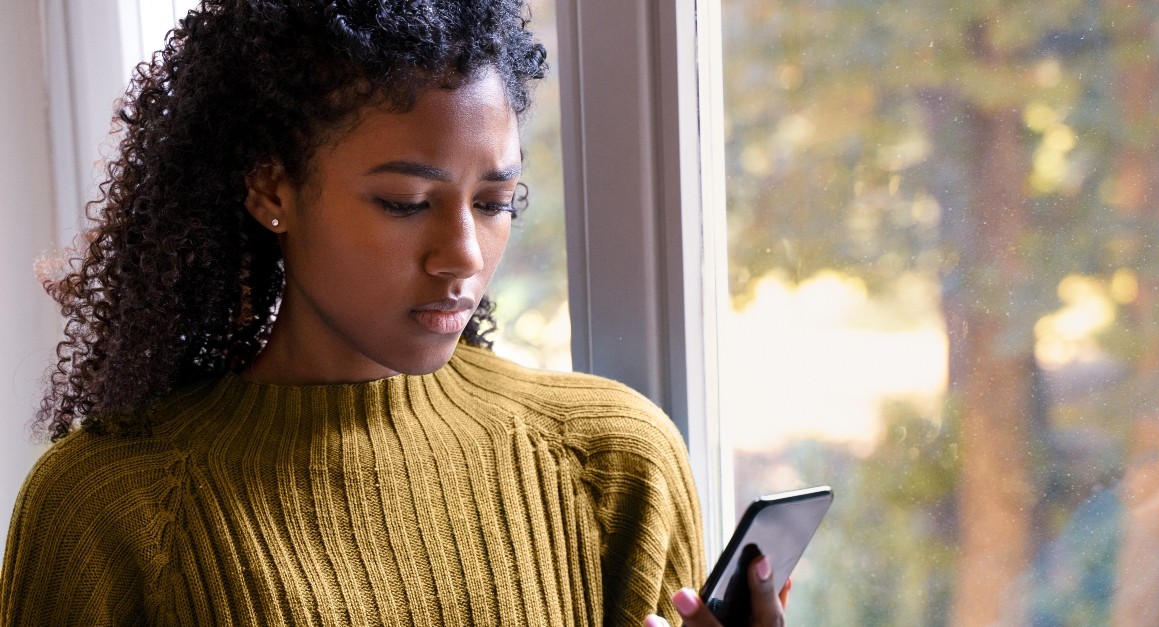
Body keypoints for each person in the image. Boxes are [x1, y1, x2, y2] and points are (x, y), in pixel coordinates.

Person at [0, 1, 787, 625]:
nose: (465, 255)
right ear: (271, 189)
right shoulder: (111, 506)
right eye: (406, 202)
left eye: (494, 202)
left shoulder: (613, 464)